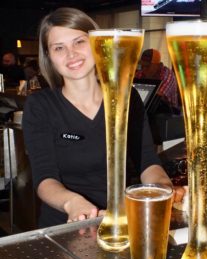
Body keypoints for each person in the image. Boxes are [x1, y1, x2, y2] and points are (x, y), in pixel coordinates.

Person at [22, 7, 182, 228]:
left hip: (123, 222)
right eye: (59, 48)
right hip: (65, 226)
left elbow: (146, 161)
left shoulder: (127, 96)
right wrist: (73, 203)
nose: (71, 54)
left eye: (79, 42)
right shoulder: (41, 106)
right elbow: (44, 178)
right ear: (49, 56)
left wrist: (163, 188)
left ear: (98, 43)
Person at [135, 48, 180, 114]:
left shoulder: (167, 75)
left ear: (157, 65)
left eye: (147, 66)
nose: (143, 69)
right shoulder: (141, 73)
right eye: (142, 66)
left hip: (169, 115)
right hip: (147, 111)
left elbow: (156, 98)